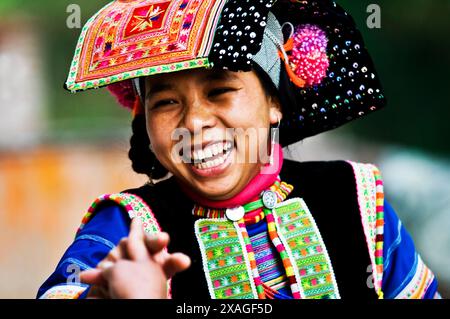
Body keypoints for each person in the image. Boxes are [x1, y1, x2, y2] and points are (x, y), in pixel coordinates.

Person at [37, 0, 441, 299]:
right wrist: (105, 293)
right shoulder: (127, 227)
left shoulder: (354, 196)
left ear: (274, 102)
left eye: (220, 91)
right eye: (166, 102)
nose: (194, 122)